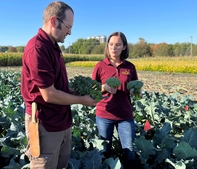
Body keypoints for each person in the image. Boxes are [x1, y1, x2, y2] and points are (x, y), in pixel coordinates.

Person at [21, 1, 97, 169]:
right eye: (68, 26)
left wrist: (77, 93)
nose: (70, 32)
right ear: (54, 21)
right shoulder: (37, 48)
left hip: (61, 121)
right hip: (45, 124)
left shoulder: (53, 46)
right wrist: (81, 100)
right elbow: (49, 94)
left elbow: (58, 87)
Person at [92, 32, 139, 168]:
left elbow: (135, 88)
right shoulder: (100, 66)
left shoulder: (129, 67)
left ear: (124, 47)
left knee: (129, 151)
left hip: (125, 115)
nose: (114, 47)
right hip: (104, 114)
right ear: (107, 46)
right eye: (111, 44)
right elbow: (92, 89)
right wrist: (104, 87)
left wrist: (136, 92)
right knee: (105, 150)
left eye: (118, 44)